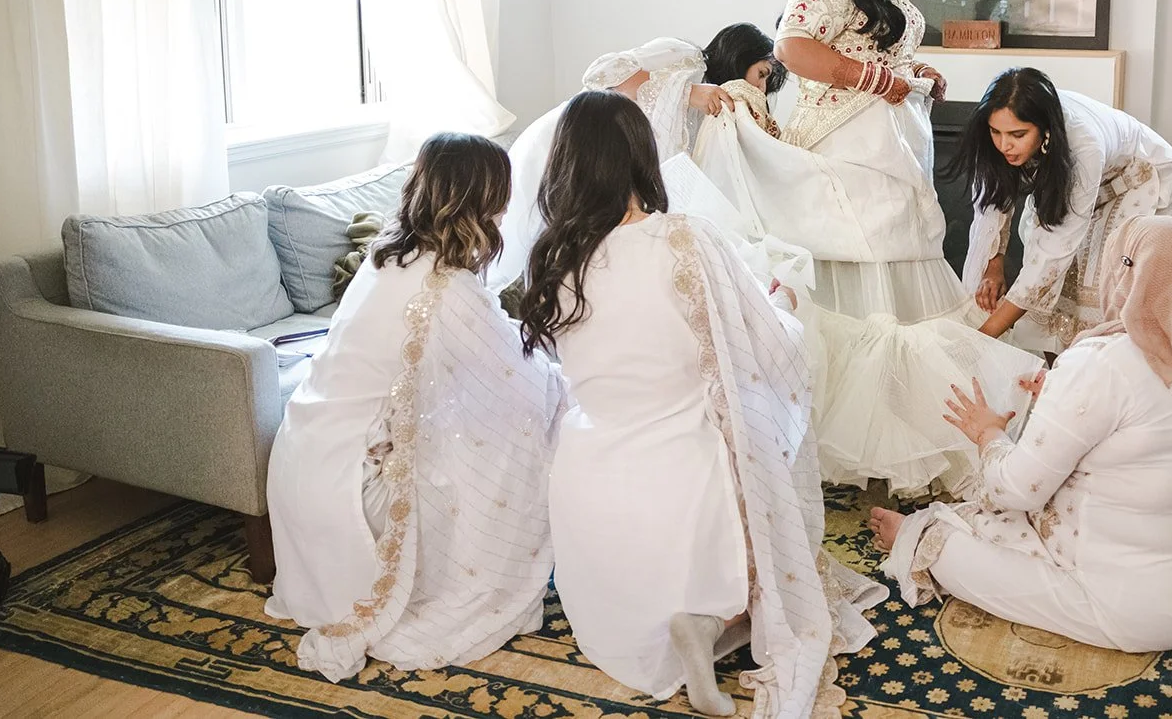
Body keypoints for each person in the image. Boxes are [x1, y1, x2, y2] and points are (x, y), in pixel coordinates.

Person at [522, 91, 883, 718]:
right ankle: (716, 621)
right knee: (758, 444)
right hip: (681, 480)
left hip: (587, 487)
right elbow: (772, 353)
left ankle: (685, 624)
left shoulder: (551, 259)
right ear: (642, 156)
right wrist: (784, 309)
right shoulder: (684, 239)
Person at [868, 216, 1172, 654]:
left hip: (1134, 606)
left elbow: (1016, 490)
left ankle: (911, 538)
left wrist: (988, 434)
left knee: (943, 536)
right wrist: (1059, 395)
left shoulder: (1105, 362)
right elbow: (1147, 430)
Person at [265, 133, 567, 683]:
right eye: (501, 193)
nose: (506, 207)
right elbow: (521, 382)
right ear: (478, 200)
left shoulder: (388, 255)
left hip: (299, 469)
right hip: (351, 494)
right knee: (527, 435)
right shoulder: (445, 286)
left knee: (475, 424)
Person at [697, 0, 959, 322]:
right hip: (847, 146)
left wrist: (914, 71)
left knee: (899, 263)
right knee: (863, 264)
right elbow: (791, 48)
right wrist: (876, 80)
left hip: (890, 145)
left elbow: (874, 49)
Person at [949, 68, 1172, 355]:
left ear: (1045, 130)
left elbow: (1052, 255)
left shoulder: (1084, 147)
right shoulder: (1001, 144)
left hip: (1137, 179)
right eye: (995, 132)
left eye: (1017, 134)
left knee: (1099, 291)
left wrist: (982, 337)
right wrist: (993, 265)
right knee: (1055, 303)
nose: (1004, 145)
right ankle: (1054, 381)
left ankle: (1094, 381)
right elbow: (991, 203)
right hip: (1080, 188)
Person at [488, 38, 732, 290]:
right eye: (761, 74)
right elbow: (601, 73)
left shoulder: (708, 115)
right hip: (572, 139)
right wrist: (685, 92)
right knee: (539, 227)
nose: (759, 86)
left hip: (601, 161)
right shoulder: (688, 56)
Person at [702, 22, 786, 138]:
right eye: (761, 74)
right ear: (739, 61)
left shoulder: (738, 115)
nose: (762, 89)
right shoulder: (685, 78)